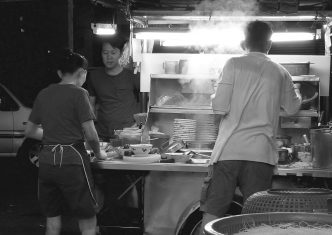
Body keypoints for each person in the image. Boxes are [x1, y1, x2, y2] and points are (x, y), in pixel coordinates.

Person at [199, 20, 302, 234]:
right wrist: (297, 92)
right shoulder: (281, 72)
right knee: (255, 218)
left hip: (229, 152)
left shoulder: (233, 64)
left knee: (213, 212)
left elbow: (219, 107)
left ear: (243, 42)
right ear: (269, 44)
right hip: (261, 155)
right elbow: (292, 108)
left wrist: (214, 93)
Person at [25, 49, 107, 235]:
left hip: (46, 162)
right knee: (87, 220)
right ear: (82, 73)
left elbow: (29, 131)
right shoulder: (79, 93)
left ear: (59, 73)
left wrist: (54, 135)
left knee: (52, 223)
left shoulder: (44, 94)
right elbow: (91, 134)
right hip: (72, 162)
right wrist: (99, 152)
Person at [87, 35, 140, 140]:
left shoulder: (133, 75)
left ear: (120, 54)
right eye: (105, 53)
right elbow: (90, 105)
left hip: (128, 134)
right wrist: (90, 130)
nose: (109, 57)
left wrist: (140, 123)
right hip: (102, 134)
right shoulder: (94, 76)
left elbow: (146, 101)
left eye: (113, 53)